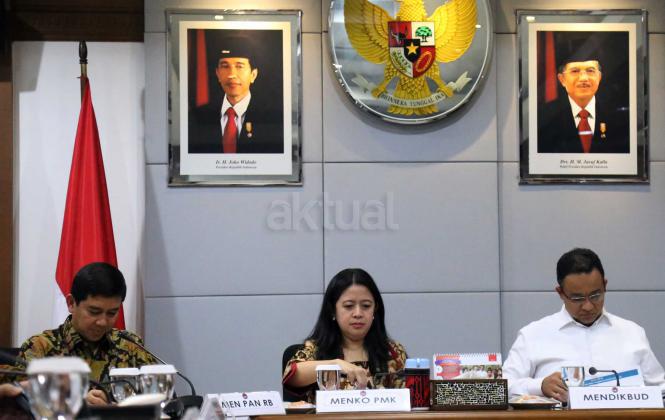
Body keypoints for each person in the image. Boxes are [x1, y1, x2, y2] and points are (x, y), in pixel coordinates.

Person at [503, 248, 665, 401]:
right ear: (560, 293)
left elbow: (660, 388)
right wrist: (540, 386)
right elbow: (502, 387)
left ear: (605, 286)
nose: (588, 306)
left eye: (595, 295)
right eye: (577, 298)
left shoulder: (632, 332)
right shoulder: (533, 335)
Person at [9, 262, 156, 406]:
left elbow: (159, 400)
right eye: (94, 312)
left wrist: (112, 408)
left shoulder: (130, 346)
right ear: (71, 303)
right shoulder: (40, 348)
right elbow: (19, 403)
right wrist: (74, 403)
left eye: (112, 313)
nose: (103, 322)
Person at [282, 268, 407, 403]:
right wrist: (334, 365)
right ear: (333, 311)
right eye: (349, 306)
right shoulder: (316, 348)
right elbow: (291, 375)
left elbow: (411, 399)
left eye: (366, 306)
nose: (358, 313)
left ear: (375, 310)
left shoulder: (392, 351)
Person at [188, 33, 284, 154]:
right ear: (218, 74)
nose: (231, 74)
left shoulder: (272, 117)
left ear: (253, 75)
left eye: (239, 66)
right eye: (225, 66)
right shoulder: (198, 117)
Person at [537, 36, 629, 154]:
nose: (584, 78)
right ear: (562, 79)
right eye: (575, 71)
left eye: (590, 71)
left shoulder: (618, 115)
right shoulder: (545, 118)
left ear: (599, 77)